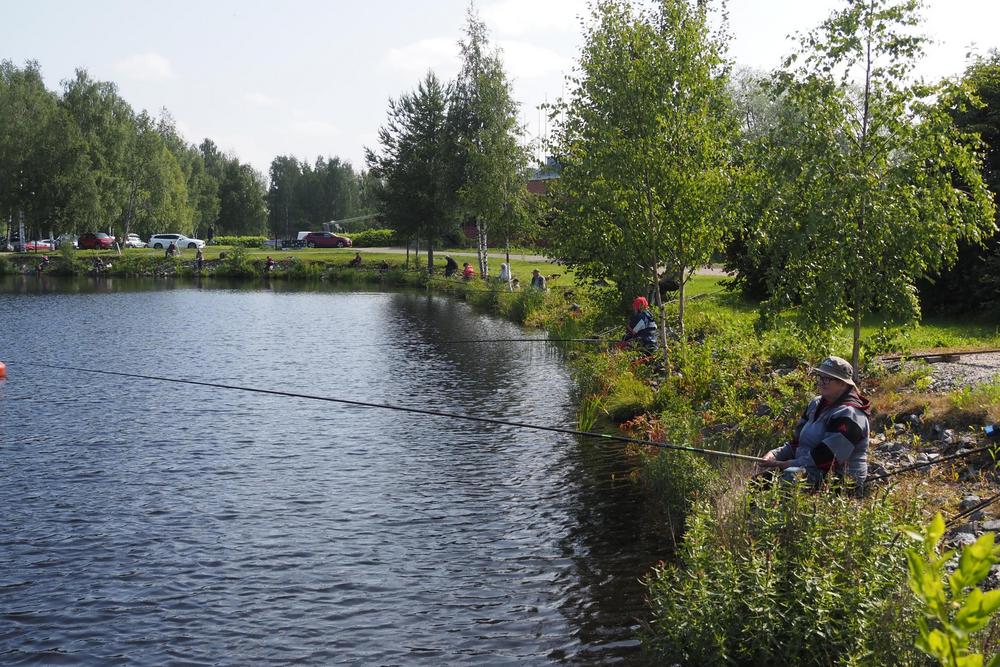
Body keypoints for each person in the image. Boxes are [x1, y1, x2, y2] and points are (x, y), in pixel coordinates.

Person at [758, 356, 871, 493]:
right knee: (758, 483)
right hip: (808, 467)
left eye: (828, 378)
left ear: (843, 383)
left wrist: (788, 464)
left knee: (790, 478)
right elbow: (796, 443)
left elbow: (828, 457)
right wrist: (775, 454)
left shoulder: (850, 414)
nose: (822, 382)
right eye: (820, 377)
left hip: (841, 479)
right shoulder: (815, 404)